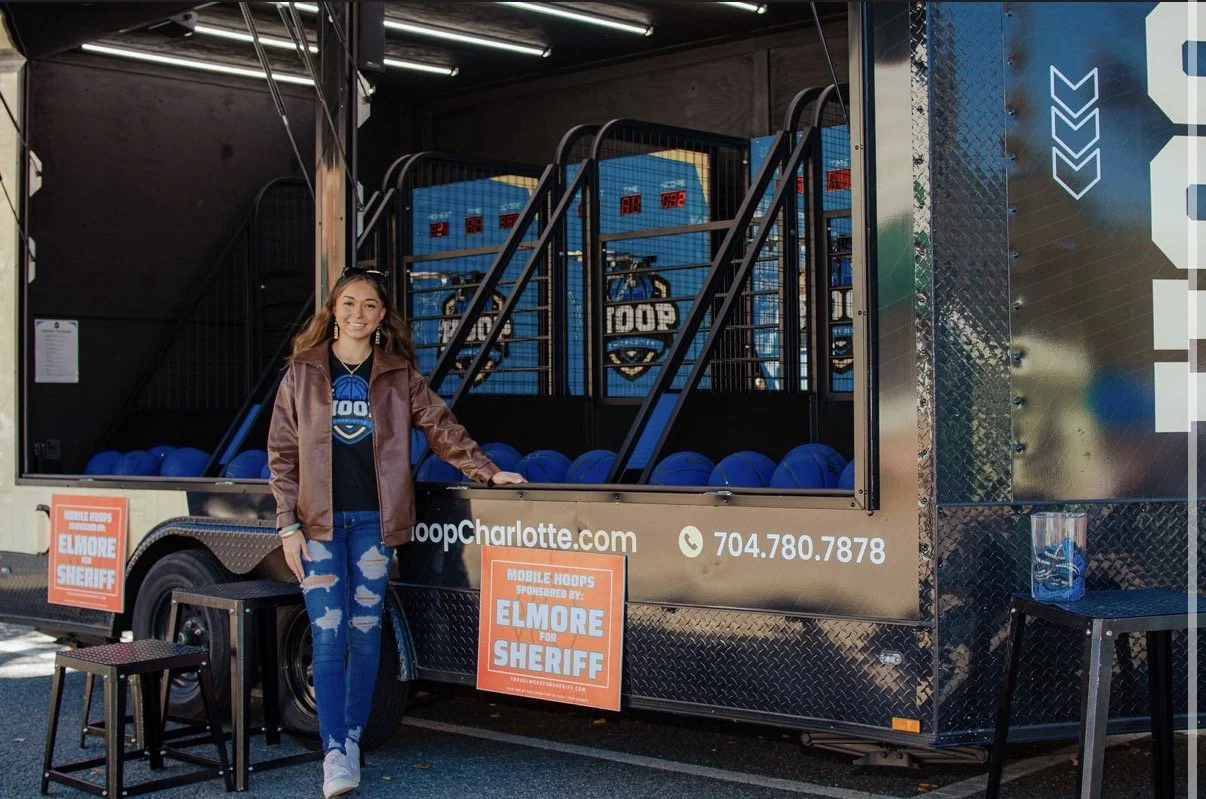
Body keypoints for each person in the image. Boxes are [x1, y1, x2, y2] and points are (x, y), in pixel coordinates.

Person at [267, 268, 524, 798]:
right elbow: (282, 455)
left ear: (382, 316)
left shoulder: (398, 375)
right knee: (328, 634)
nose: (357, 314)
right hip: (317, 526)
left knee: (365, 637)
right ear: (333, 310)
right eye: (348, 304)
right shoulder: (303, 372)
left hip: (375, 525)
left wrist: (486, 471)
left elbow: (441, 426)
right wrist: (286, 524)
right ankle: (334, 750)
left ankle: (351, 742)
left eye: (368, 306)